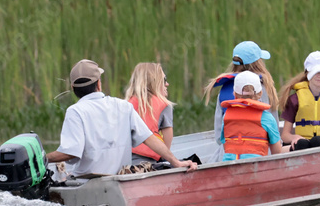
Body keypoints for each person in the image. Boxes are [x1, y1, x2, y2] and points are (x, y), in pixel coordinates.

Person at [46, 59, 197, 176]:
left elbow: (70, 153)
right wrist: (175, 162)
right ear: (99, 84)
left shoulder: (75, 111)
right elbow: (149, 138)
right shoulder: (123, 106)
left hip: (85, 180)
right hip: (120, 178)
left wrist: (43, 158)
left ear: (73, 88)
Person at [203, 41, 279, 158]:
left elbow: (219, 137)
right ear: (258, 63)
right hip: (260, 154)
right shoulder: (261, 89)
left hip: (227, 155)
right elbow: (274, 132)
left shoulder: (224, 90)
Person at [219, 71, 282, 160]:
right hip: (256, 165)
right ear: (260, 93)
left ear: (234, 94)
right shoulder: (267, 118)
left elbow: (225, 145)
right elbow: (277, 152)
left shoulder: (226, 116)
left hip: (229, 165)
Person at [124, 63, 174, 164]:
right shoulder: (164, 105)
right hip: (149, 162)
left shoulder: (126, 104)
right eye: (164, 80)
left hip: (124, 161)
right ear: (154, 81)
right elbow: (167, 146)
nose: (167, 84)